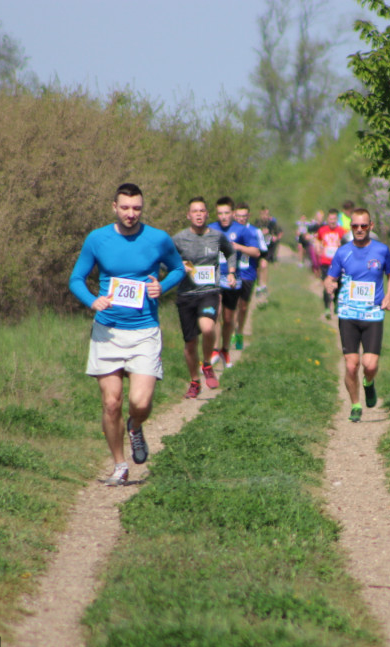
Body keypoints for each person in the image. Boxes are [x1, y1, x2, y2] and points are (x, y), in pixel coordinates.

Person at [69, 183, 185, 486]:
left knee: (140, 402)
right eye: (125, 208)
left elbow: (177, 269)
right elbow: (76, 278)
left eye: (136, 208)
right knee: (111, 402)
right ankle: (120, 465)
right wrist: (92, 300)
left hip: (144, 330)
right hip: (107, 331)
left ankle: (135, 425)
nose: (131, 214)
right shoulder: (97, 239)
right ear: (114, 207)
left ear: (142, 209)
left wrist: (163, 285)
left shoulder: (158, 239)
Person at [324, 208, 390, 422]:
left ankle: (368, 382)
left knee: (370, 365)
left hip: (373, 314)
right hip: (348, 313)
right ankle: (355, 404)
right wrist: (330, 285)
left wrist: (389, 297)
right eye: (355, 226)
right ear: (350, 227)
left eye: (363, 225)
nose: (359, 229)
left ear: (370, 226)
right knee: (351, 364)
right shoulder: (342, 252)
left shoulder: (382, 250)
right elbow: (330, 278)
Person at [171, 196, 237, 399]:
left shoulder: (217, 237)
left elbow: (231, 252)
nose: (199, 214)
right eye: (195, 211)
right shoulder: (178, 239)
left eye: (202, 211)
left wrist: (232, 272)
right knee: (190, 343)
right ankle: (194, 381)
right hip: (186, 294)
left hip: (209, 291)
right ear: (188, 215)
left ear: (207, 214)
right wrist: (177, 266)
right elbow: (164, 261)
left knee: (208, 327)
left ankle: (207, 363)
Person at [208, 196, 260, 368]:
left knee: (228, 318)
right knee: (216, 311)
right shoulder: (210, 229)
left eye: (227, 213)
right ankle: (214, 350)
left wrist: (238, 247)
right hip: (213, 276)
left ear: (233, 213)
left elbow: (256, 252)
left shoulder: (242, 230)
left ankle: (225, 349)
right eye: (220, 213)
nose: (223, 216)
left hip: (232, 278)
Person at [231, 202, 269, 349]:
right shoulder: (229, 231)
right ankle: (232, 332)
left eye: (244, 216)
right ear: (234, 215)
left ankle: (239, 331)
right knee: (231, 305)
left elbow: (262, 252)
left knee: (243, 306)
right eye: (239, 216)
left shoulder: (255, 232)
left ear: (249, 216)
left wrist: (262, 263)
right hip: (232, 273)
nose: (241, 219)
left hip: (248, 273)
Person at [315, 208, 347, 318]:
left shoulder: (342, 232)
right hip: (325, 261)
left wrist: (341, 246)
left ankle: (336, 303)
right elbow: (318, 239)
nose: (332, 221)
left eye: (334, 219)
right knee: (326, 284)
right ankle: (327, 307)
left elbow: (348, 245)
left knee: (338, 284)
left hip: (339, 262)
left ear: (337, 219)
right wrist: (318, 247)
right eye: (330, 219)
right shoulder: (322, 230)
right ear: (327, 219)